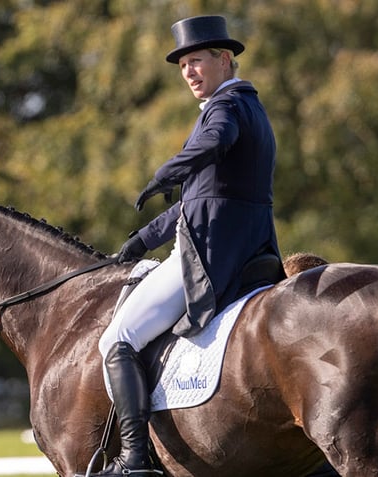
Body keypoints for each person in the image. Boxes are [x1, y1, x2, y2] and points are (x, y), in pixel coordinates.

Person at [82, 15, 281, 476]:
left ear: (224, 60)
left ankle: (134, 459)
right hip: (251, 249)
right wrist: (138, 242)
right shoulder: (254, 108)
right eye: (183, 66)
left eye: (197, 61)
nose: (190, 72)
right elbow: (198, 201)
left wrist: (165, 172)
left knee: (118, 338)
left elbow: (214, 143)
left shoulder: (225, 107)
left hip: (212, 254)